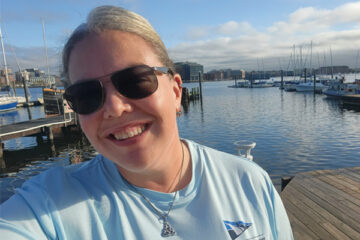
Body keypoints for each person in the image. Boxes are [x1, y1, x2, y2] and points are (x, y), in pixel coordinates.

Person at [0, 5, 293, 240]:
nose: (114, 108)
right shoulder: (45, 208)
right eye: (87, 95)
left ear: (176, 92)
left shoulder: (250, 183)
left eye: (135, 81)